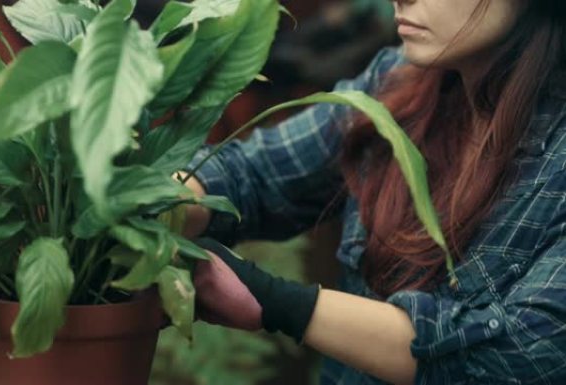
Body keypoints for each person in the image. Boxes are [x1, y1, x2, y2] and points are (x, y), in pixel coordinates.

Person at [177, 0, 566, 384]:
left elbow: (522, 353)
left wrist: (275, 300)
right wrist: (161, 205)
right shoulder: (399, 80)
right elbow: (256, 173)